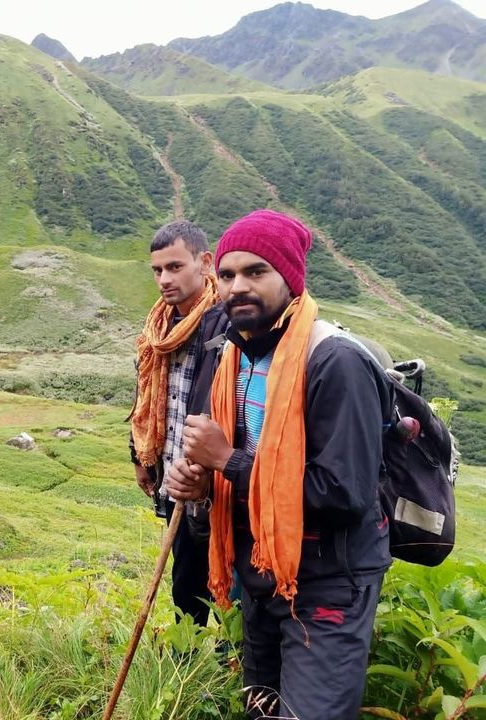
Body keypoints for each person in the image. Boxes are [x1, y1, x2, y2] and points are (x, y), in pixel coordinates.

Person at [166, 209, 391, 720]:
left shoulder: (335, 361)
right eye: (226, 275)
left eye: (256, 272)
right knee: (262, 709)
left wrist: (228, 460)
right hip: (263, 571)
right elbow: (243, 465)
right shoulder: (237, 358)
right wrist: (201, 478)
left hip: (328, 578)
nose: (237, 286)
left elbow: (343, 493)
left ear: (290, 278)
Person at [128, 220, 227, 627]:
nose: (164, 279)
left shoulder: (224, 323)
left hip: (214, 476)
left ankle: (231, 662)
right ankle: (185, 664)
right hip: (171, 470)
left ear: (204, 263)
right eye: (157, 270)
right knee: (185, 577)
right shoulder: (158, 327)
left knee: (225, 574)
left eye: (174, 267)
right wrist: (139, 455)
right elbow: (145, 398)